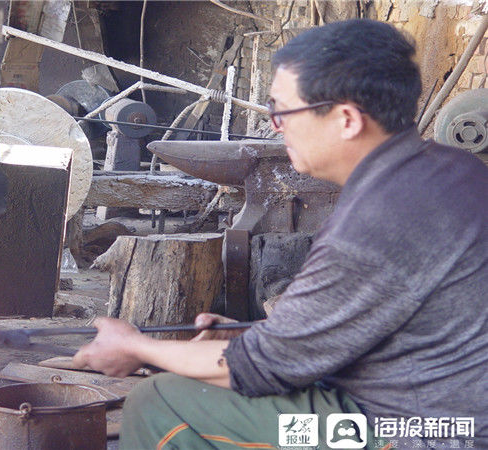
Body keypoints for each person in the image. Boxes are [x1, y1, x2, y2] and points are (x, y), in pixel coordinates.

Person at [73, 19, 487, 449]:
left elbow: (259, 369)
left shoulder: (378, 219)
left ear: (346, 119)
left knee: (159, 402)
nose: (274, 125)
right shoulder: (458, 170)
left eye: (283, 112)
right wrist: (262, 334)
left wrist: (137, 347)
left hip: (415, 432)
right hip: (453, 411)